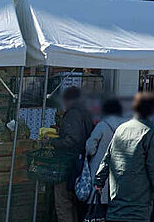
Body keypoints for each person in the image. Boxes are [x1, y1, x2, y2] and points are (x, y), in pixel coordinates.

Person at [94, 92, 154, 222]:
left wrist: (99, 181)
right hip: (138, 205)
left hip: (116, 202)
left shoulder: (121, 129)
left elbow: (107, 158)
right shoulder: (150, 133)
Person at [50, 86, 93, 222]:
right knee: (73, 204)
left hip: (67, 164)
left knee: (63, 203)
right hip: (79, 164)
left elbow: (73, 139)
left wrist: (52, 142)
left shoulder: (73, 114)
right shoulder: (86, 112)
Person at [85, 99, 125, 213]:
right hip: (119, 171)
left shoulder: (102, 125)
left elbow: (90, 148)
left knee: (97, 205)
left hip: (99, 169)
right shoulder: (126, 127)